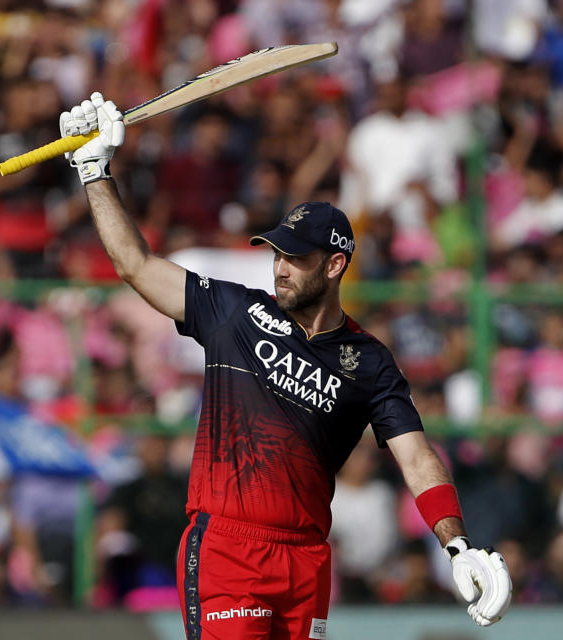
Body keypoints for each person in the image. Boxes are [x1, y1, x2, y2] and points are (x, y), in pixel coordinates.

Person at [59, 92, 512, 639]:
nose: (279, 268)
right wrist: (95, 172)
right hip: (228, 547)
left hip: (305, 561)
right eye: (276, 254)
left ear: (335, 264)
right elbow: (135, 264)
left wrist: (457, 544)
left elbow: (417, 458)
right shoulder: (233, 312)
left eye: (295, 257)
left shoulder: (369, 361)